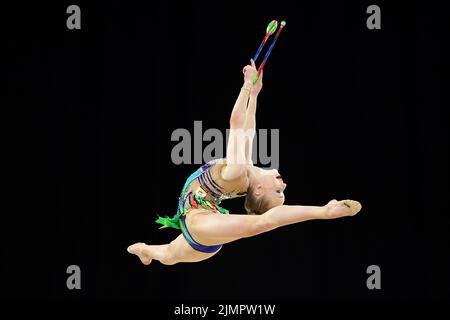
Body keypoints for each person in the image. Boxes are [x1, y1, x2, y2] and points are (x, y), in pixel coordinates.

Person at [127, 60, 362, 266]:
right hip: (206, 231)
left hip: (200, 222)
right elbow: (248, 131)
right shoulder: (246, 170)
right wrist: (255, 95)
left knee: (257, 225)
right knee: (168, 256)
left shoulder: (238, 172)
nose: (285, 185)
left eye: (278, 191)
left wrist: (246, 84)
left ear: (259, 190)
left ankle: (326, 211)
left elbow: (236, 125)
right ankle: (145, 250)